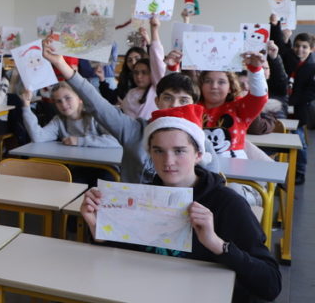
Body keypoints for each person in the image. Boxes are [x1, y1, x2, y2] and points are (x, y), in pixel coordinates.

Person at [15, 105, 281, 303]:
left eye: (179, 151)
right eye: (159, 151)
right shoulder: (142, 194)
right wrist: (99, 231)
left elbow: (270, 282)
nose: (169, 161)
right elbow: (118, 257)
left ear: (198, 153)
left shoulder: (226, 204)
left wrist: (217, 244)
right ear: (150, 154)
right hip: (132, 302)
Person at [41, 40, 220, 183]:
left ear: (193, 105)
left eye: (183, 100)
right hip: (135, 209)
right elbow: (97, 105)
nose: (174, 105)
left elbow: (214, 182)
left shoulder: (200, 140)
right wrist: (61, 64)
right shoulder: (134, 130)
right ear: (157, 101)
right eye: (167, 98)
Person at [198, 52, 268, 158]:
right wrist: (172, 68)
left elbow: (259, 97)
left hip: (233, 169)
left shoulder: (239, 108)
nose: (214, 86)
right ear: (201, 86)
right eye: (208, 81)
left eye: (221, 82)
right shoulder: (192, 107)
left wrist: (255, 70)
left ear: (230, 88)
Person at [270, 14, 312, 183]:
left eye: (304, 47)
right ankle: (277, 167)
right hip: (282, 107)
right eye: (297, 46)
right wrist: (275, 25)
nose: (299, 50)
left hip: (299, 110)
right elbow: (279, 46)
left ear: (311, 49)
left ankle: (299, 172)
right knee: (279, 136)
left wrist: (292, 102)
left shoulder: (312, 67)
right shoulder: (291, 59)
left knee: (299, 140)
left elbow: (311, 92)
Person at [119, 18, 165, 121]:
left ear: (152, 73)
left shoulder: (157, 89)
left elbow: (157, 60)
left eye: (144, 73)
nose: (139, 77)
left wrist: (154, 30)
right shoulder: (131, 93)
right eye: (136, 73)